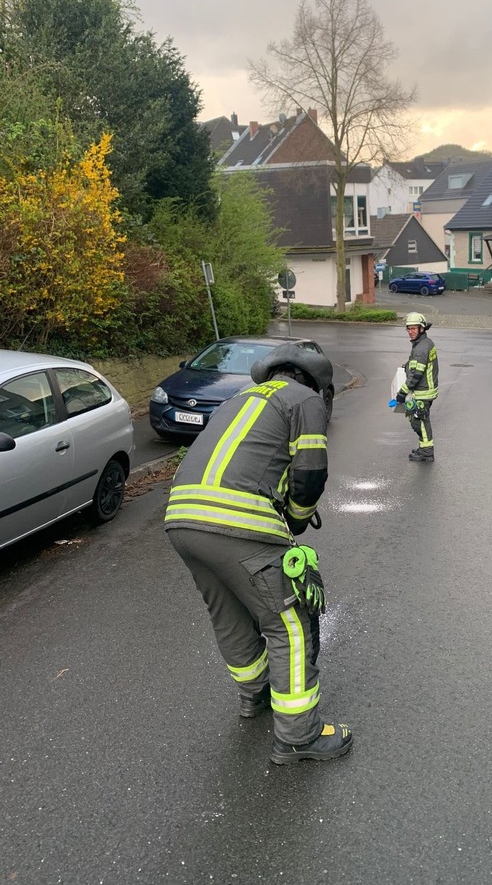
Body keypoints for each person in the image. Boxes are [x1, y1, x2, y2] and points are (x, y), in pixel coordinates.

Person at [164, 343, 352, 765]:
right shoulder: (304, 400)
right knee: (291, 624)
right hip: (237, 525)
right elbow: (309, 474)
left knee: (228, 615)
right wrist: (298, 520)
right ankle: (298, 736)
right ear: (316, 383)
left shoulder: (239, 399)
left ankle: (255, 695)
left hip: (180, 520)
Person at [394, 312, 439, 463]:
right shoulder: (424, 344)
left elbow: (416, 376)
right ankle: (424, 448)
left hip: (423, 392)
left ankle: (426, 452)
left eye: (413, 328)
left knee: (419, 421)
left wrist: (402, 393)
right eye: (409, 328)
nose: (410, 331)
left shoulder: (421, 348)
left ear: (422, 329)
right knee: (420, 420)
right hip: (426, 391)